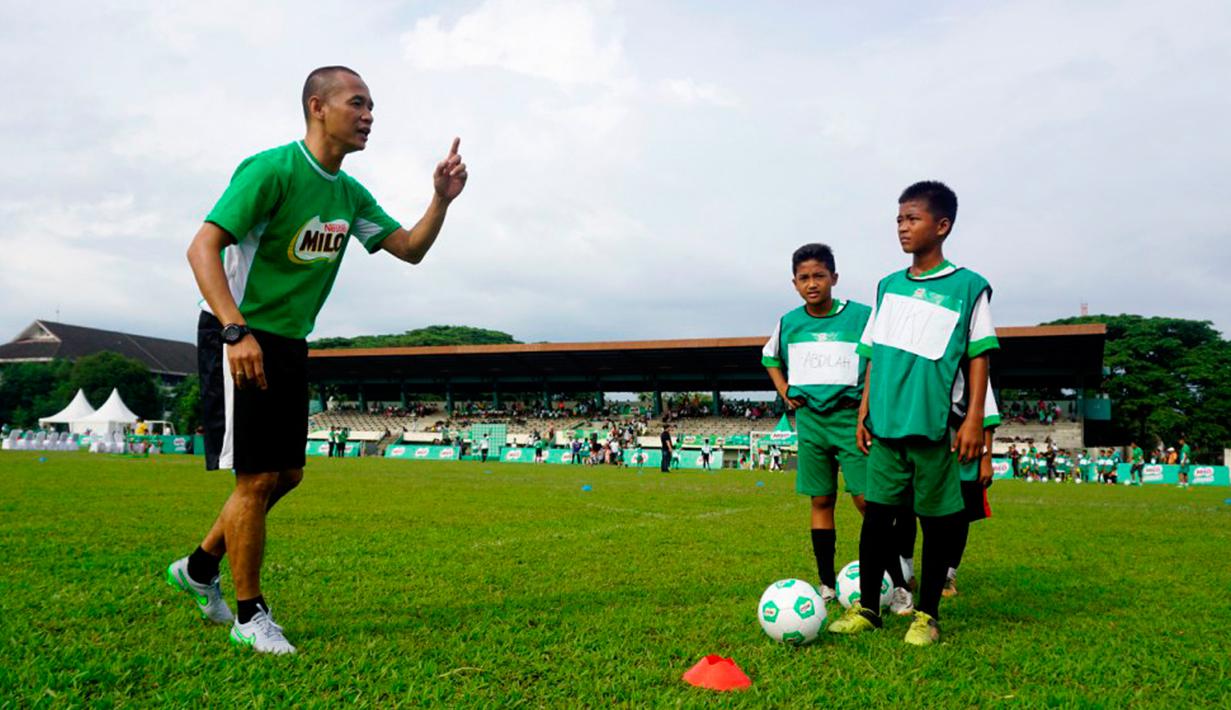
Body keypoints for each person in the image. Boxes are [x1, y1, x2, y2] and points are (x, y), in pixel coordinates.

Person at [166, 65, 468, 655]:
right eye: (358, 104)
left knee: (287, 474)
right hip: (240, 332)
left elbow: (407, 249)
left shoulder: (348, 194)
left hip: (290, 342)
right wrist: (235, 330)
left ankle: (200, 566)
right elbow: (203, 246)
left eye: (373, 107)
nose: (369, 116)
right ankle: (249, 616)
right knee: (254, 479)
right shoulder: (272, 169)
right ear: (317, 107)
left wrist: (440, 200)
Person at [828, 181, 997, 647]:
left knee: (937, 522)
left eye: (913, 218)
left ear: (941, 226)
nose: (902, 227)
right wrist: (863, 409)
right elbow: (873, 353)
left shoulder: (968, 287)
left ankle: (927, 615)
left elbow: (979, 355)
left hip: (932, 427)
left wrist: (974, 421)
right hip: (885, 426)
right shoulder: (888, 287)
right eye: (899, 219)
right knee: (877, 519)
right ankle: (867, 609)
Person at [762, 242, 886, 607]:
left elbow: (878, 359)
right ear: (794, 283)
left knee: (867, 501)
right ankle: (827, 584)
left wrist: (868, 408)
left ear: (834, 277)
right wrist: (784, 389)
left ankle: (895, 581)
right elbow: (769, 356)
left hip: (852, 418)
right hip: (812, 421)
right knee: (821, 499)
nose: (811, 284)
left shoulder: (861, 316)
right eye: (803, 278)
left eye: (819, 276)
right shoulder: (788, 322)